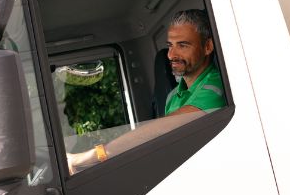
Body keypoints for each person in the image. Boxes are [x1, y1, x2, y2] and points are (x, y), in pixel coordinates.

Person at [66, 9, 224, 174]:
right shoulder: (172, 96)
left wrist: (93, 155)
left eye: (183, 45)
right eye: (170, 45)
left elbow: (161, 130)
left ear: (207, 47)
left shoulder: (216, 86)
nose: (171, 55)